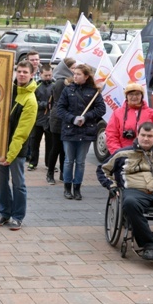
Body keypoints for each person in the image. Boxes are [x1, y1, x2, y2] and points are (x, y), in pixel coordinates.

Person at [97, 122, 153, 262]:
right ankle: (148, 245)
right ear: (137, 135)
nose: (146, 139)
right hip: (135, 191)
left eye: (150, 136)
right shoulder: (123, 154)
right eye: (143, 135)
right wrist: (112, 186)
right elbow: (103, 169)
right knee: (129, 203)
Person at [0, 60, 38, 231]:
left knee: (18, 184)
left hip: (16, 150)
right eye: (19, 71)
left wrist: (9, 155)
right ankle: (4, 212)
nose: (22, 74)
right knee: (0, 183)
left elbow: (21, 133)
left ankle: (18, 216)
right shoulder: (8, 90)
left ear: (32, 74)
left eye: (26, 72)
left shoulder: (30, 100)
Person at [56, 63, 106, 200]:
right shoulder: (68, 90)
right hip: (69, 130)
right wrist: (72, 119)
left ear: (86, 76)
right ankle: (67, 188)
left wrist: (86, 117)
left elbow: (101, 109)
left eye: (78, 74)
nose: (75, 76)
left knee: (80, 162)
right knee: (68, 161)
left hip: (86, 131)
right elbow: (60, 109)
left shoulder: (94, 92)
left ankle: (77, 187)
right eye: (74, 74)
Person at [105, 83, 153, 155]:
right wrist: (117, 153)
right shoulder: (117, 113)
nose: (134, 97)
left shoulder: (151, 113)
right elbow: (111, 135)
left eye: (137, 94)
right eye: (131, 94)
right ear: (126, 96)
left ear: (142, 96)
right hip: (123, 153)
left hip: (146, 154)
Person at [47, 58, 76, 185]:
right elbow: (60, 102)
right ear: (66, 68)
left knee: (65, 149)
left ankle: (64, 173)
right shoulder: (60, 82)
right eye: (73, 68)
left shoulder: (71, 81)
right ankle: (50, 173)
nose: (75, 70)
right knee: (56, 147)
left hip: (67, 118)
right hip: (58, 119)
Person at [28, 64, 54, 171]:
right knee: (34, 142)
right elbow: (32, 102)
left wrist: (52, 105)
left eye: (50, 75)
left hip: (50, 119)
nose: (48, 77)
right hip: (37, 119)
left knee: (50, 143)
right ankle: (33, 162)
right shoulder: (36, 86)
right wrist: (45, 105)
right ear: (41, 74)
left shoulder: (55, 86)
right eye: (46, 75)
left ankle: (49, 163)